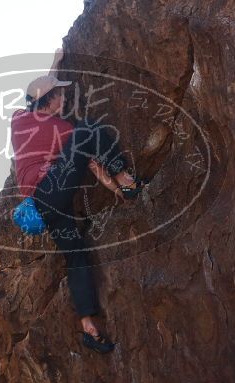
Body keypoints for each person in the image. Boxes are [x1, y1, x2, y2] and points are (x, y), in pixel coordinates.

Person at [10, 72, 150, 354]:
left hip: (43, 207)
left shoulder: (17, 120)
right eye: (59, 94)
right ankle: (128, 178)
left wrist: (57, 62)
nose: (64, 98)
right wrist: (117, 185)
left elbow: (37, 94)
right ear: (48, 100)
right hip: (50, 192)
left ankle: (88, 324)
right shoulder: (61, 129)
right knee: (88, 130)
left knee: (76, 254)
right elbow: (89, 160)